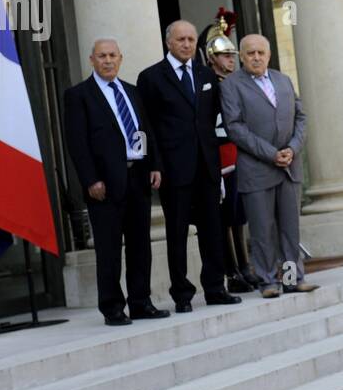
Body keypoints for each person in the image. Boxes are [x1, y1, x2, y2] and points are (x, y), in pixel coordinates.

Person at [136, 20, 240, 313]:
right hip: (173, 168)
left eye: (191, 39)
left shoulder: (206, 74)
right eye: (181, 39)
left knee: (212, 229)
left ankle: (216, 288)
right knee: (178, 232)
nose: (186, 44)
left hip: (207, 166)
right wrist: (154, 164)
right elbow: (148, 126)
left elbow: (213, 120)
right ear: (168, 42)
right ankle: (182, 293)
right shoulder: (151, 78)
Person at [62, 38, 167, 325]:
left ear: (120, 58)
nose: (107, 61)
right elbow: (77, 143)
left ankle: (141, 302)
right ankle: (112, 308)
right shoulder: (79, 95)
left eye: (112, 56)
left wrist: (153, 164)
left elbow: (145, 129)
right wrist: (90, 180)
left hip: (138, 178)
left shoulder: (132, 92)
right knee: (109, 248)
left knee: (139, 245)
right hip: (104, 185)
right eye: (101, 56)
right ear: (91, 60)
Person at [219, 33, 317, 299]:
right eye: (250, 53)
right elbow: (235, 127)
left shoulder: (282, 80)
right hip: (257, 168)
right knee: (262, 230)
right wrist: (272, 154)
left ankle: (290, 279)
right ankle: (267, 281)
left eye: (261, 52)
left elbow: (301, 118)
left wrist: (292, 149)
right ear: (241, 57)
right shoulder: (231, 85)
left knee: (289, 229)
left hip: (288, 166)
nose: (256, 57)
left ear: (269, 55)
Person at [202, 10, 255, 294]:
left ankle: (245, 267)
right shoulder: (210, 85)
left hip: (240, 154)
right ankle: (232, 270)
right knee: (226, 217)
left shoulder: (237, 83)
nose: (231, 60)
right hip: (222, 156)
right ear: (212, 58)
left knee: (240, 215)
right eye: (225, 56)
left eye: (233, 55)